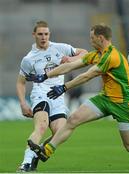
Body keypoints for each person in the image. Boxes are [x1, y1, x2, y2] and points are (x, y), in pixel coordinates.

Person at [26, 24, 129, 170]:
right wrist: (46, 75)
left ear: (100, 38)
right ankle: (47, 151)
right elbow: (72, 65)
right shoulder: (98, 54)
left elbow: (88, 75)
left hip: (123, 104)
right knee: (73, 120)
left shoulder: (111, 57)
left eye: (92, 38)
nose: (90, 40)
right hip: (105, 99)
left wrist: (64, 87)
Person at [16, 20, 87, 172]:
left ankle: (37, 153)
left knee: (60, 132)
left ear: (49, 34)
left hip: (58, 96)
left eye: (46, 34)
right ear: (34, 35)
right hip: (40, 94)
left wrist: (70, 59)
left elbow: (85, 53)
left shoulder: (60, 48)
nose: (43, 37)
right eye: (40, 34)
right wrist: (23, 103)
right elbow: (20, 82)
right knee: (41, 126)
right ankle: (26, 163)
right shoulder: (29, 59)